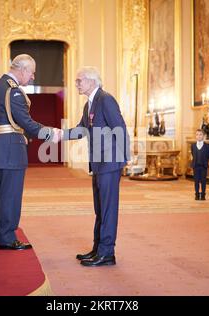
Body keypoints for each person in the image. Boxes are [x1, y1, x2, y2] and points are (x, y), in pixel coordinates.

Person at [0, 54, 58, 250]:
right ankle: (7, 238)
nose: (32, 77)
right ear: (23, 70)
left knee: (0, 194)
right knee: (10, 195)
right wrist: (51, 133)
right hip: (9, 150)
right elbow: (26, 122)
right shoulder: (12, 91)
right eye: (32, 73)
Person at [61, 66, 130, 267]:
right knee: (100, 209)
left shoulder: (105, 99)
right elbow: (81, 130)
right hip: (98, 164)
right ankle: (98, 248)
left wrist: (124, 158)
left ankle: (107, 253)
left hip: (110, 163)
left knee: (108, 209)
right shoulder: (88, 105)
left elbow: (120, 127)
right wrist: (58, 134)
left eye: (79, 80)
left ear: (91, 81)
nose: (76, 84)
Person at [191, 129, 209, 201]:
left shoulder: (207, 146)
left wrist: (205, 162)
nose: (198, 136)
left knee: (203, 181)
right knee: (196, 181)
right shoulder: (193, 145)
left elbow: (208, 155)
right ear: (195, 136)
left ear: (203, 136)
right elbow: (193, 154)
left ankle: (203, 194)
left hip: (203, 166)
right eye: (197, 135)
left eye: (200, 135)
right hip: (196, 165)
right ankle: (197, 194)